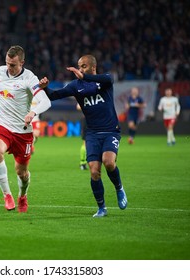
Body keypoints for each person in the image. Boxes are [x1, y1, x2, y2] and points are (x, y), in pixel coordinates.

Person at [39, 54, 127, 218]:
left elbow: (109, 79)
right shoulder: (75, 86)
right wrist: (45, 88)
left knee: (109, 163)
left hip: (110, 131)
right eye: (79, 66)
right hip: (92, 133)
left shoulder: (104, 81)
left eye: (84, 66)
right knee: (94, 172)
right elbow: (54, 96)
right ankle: (102, 208)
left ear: (93, 67)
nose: (80, 69)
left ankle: (119, 188)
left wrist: (85, 77)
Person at [0, 45, 51, 213]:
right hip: (2, 125)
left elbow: (46, 102)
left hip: (22, 131)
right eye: (8, 63)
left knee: (21, 173)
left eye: (13, 65)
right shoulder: (1, 71)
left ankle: (22, 196)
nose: (9, 67)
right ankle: (7, 195)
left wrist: (33, 111)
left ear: (22, 62)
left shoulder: (30, 78)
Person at [76, 103, 87, 170]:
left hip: (97, 121)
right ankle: (83, 162)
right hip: (87, 120)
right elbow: (78, 106)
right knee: (85, 142)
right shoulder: (85, 94)